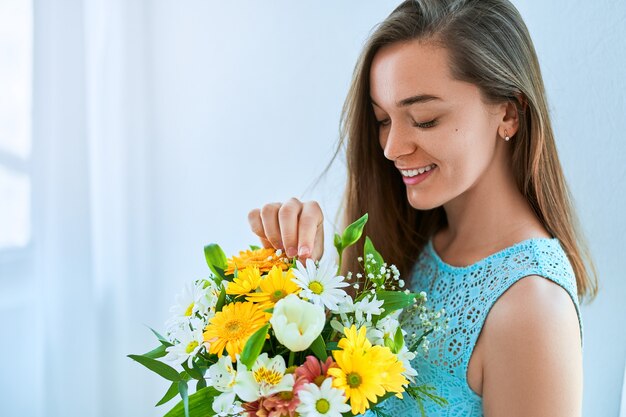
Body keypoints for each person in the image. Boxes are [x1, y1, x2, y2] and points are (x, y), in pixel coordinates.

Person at [247, 0, 598, 416]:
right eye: (382, 120)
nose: (392, 148)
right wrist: (305, 278)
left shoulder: (532, 307)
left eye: (425, 118)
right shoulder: (411, 246)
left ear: (508, 113)